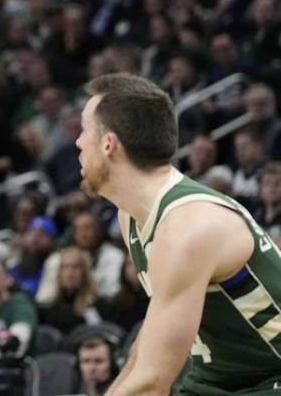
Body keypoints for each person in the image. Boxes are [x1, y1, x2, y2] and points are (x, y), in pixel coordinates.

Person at [76, 73, 281, 394]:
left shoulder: (187, 229)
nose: (77, 141)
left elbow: (152, 381)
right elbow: (146, 353)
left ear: (108, 144)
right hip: (220, 381)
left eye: (84, 130)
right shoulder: (131, 215)